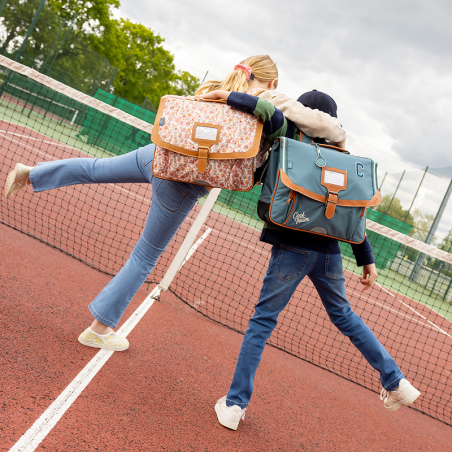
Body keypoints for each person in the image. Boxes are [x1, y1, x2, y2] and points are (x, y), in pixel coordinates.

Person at [4, 55, 345, 352]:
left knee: (94, 169)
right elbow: (316, 124)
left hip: (157, 154)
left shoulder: (214, 86)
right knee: (145, 255)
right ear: (271, 80)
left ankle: (32, 174)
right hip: (182, 182)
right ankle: (99, 329)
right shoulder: (269, 98)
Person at [198, 89, 421, 430]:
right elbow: (354, 215)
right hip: (329, 253)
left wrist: (224, 93)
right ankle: (396, 381)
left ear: (301, 109)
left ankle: (234, 404)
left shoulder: (286, 129)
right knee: (345, 316)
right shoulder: (342, 151)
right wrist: (366, 259)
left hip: (291, 247)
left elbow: (259, 106)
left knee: (262, 322)